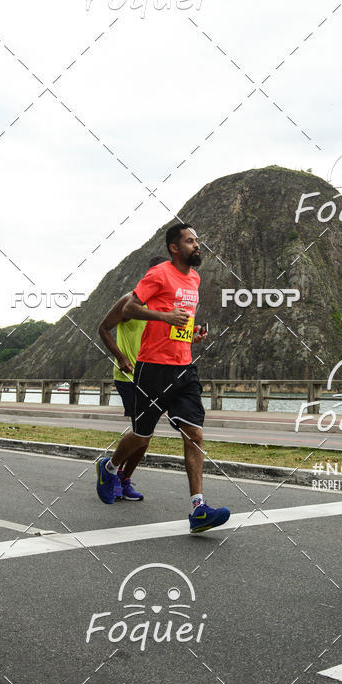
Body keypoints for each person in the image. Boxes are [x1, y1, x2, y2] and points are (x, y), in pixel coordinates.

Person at [95, 223, 230, 534]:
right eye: (190, 241)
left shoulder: (194, 278)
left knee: (194, 434)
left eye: (197, 240)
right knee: (141, 436)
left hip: (184, 367)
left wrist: (191, 335)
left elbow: (181, 320)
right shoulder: (158, 273)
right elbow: (131, 307)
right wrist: (164, 317)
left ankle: (198, 509)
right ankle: (109, 467)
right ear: (174, 247)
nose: (197, 245)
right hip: (152, 368)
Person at [98, 255, 166, 500]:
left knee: (145, 435)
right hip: (129, 377)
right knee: (142, 433)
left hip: (153, 377)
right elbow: (103, 328)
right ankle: (112, 472)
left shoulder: (164, 307)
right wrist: (121, 357)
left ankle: (121, 477)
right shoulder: (130, 300)